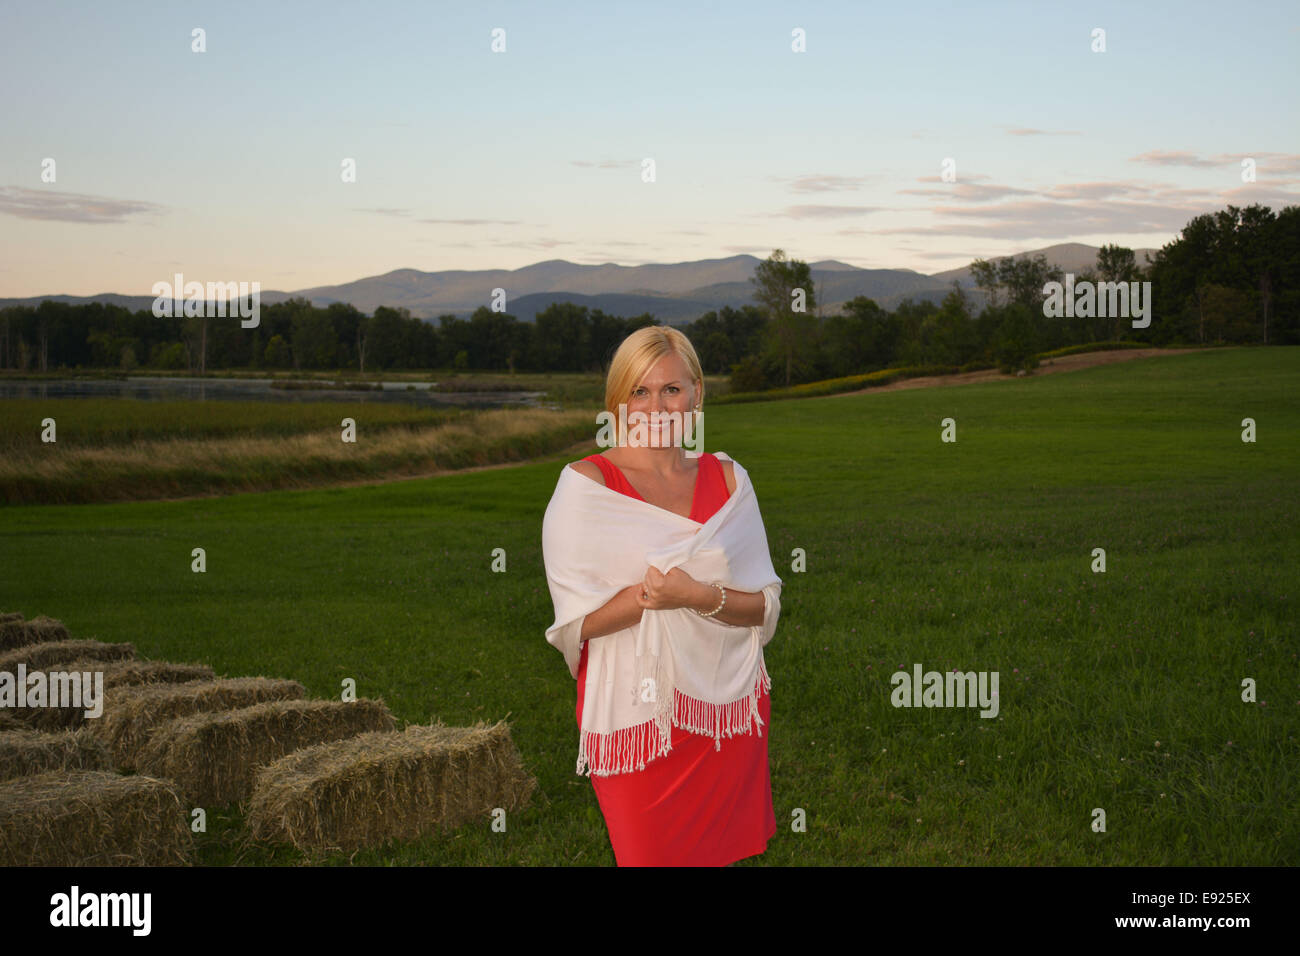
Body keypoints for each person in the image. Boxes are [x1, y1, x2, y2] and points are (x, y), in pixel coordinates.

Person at [541, 325, 783, 866]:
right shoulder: (586, 488)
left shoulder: (729, 480)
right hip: (638, 724)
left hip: (726, 711)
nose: (657, 406)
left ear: (697, 393)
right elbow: (573, 629)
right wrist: (649, 598)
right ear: (617, 400)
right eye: (640, 391)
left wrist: (696, 595)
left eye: (671, 389)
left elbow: (765, 608)